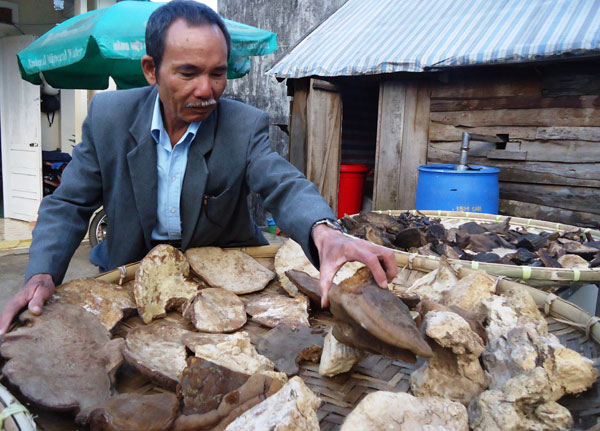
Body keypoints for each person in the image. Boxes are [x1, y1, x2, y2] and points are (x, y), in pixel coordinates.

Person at [0, 1, 397, 334]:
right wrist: (42, 273)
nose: (206, 90)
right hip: (131, 274)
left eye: (217, 73)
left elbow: (282, 183)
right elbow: (68, 205)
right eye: (188, 73)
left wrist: (323, 231)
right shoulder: (109, 117)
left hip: (223, 286)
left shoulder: (243, 125)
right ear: (152, 70)